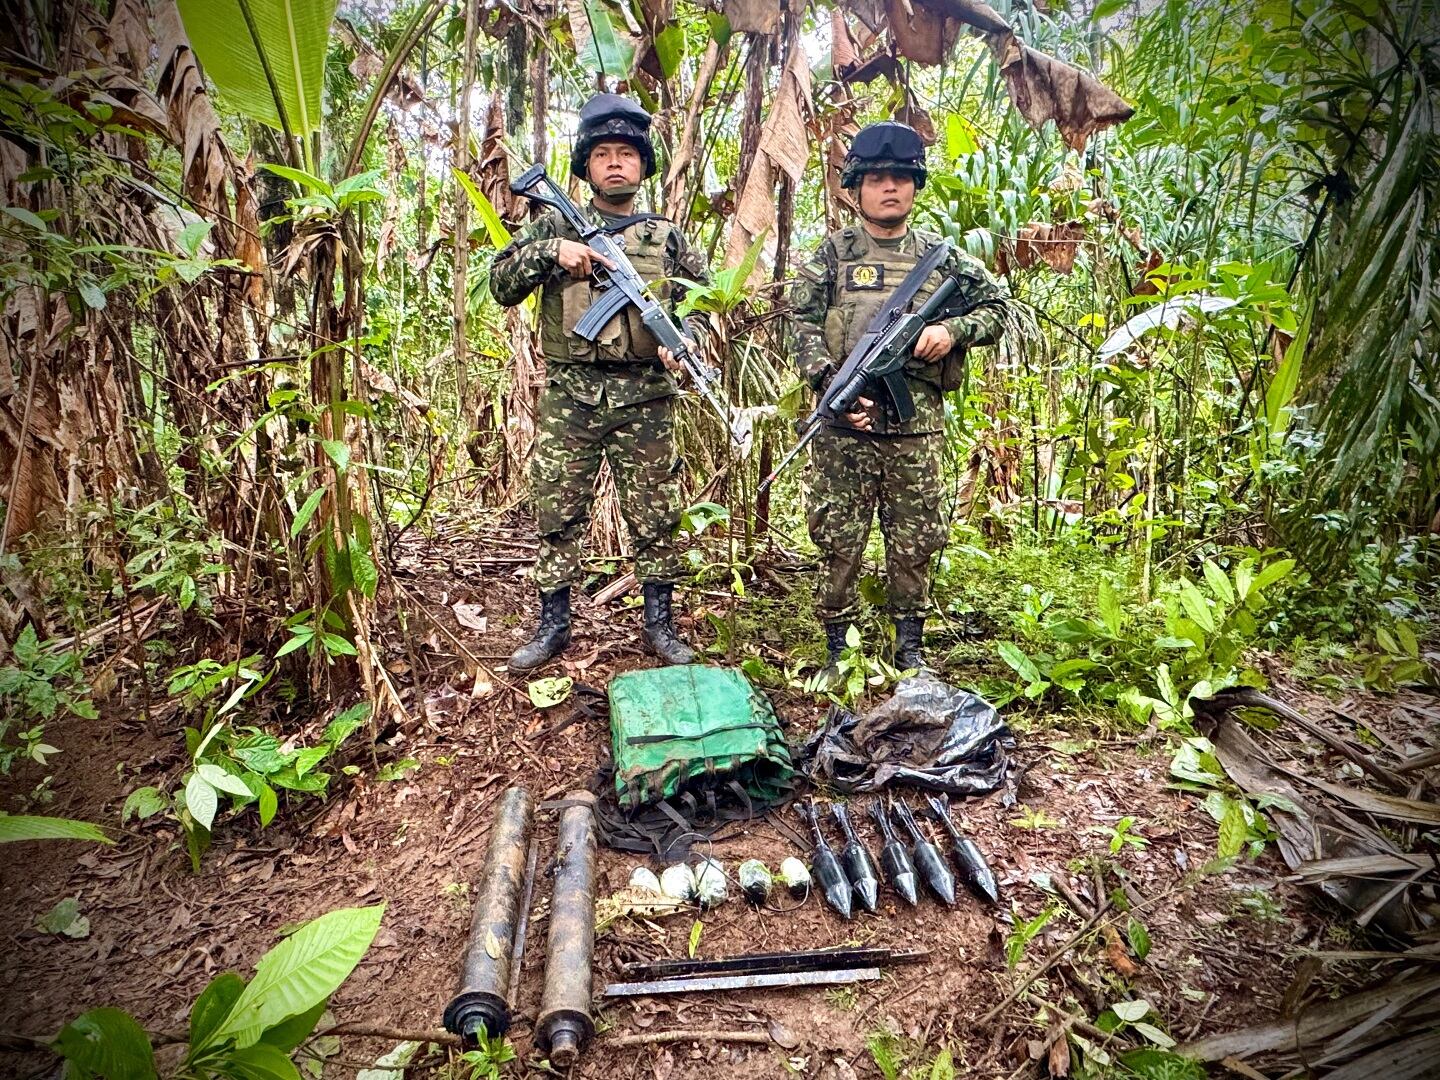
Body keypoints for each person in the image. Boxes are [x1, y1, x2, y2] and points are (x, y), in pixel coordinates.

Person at [490, 94, 709, 670]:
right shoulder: (554, 223)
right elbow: (500, 284)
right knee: (557, 509)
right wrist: (551, 252)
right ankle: (553, 625)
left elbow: (704, 303)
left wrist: (687, 340)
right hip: (571, 395)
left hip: (647, 397)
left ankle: (660, 626)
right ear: (586, 165)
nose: (615, 162)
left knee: (657, 513)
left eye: (627, 154)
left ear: (643, 165)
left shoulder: (666, 237)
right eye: (603, 153)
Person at [788, 121, 1008, 675]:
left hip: (916, 428)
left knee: (917, 536)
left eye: (901, 178)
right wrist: (828, 383)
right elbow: (799, 323)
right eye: (877, 178)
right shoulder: (832, 256)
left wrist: (953, 331)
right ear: (856, 187)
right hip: (846, 425)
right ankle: (838, 648)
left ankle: (909, 646)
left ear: (915, 185)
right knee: (838, 536)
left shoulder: (943, 258)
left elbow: (999, 308)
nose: (890, 188)